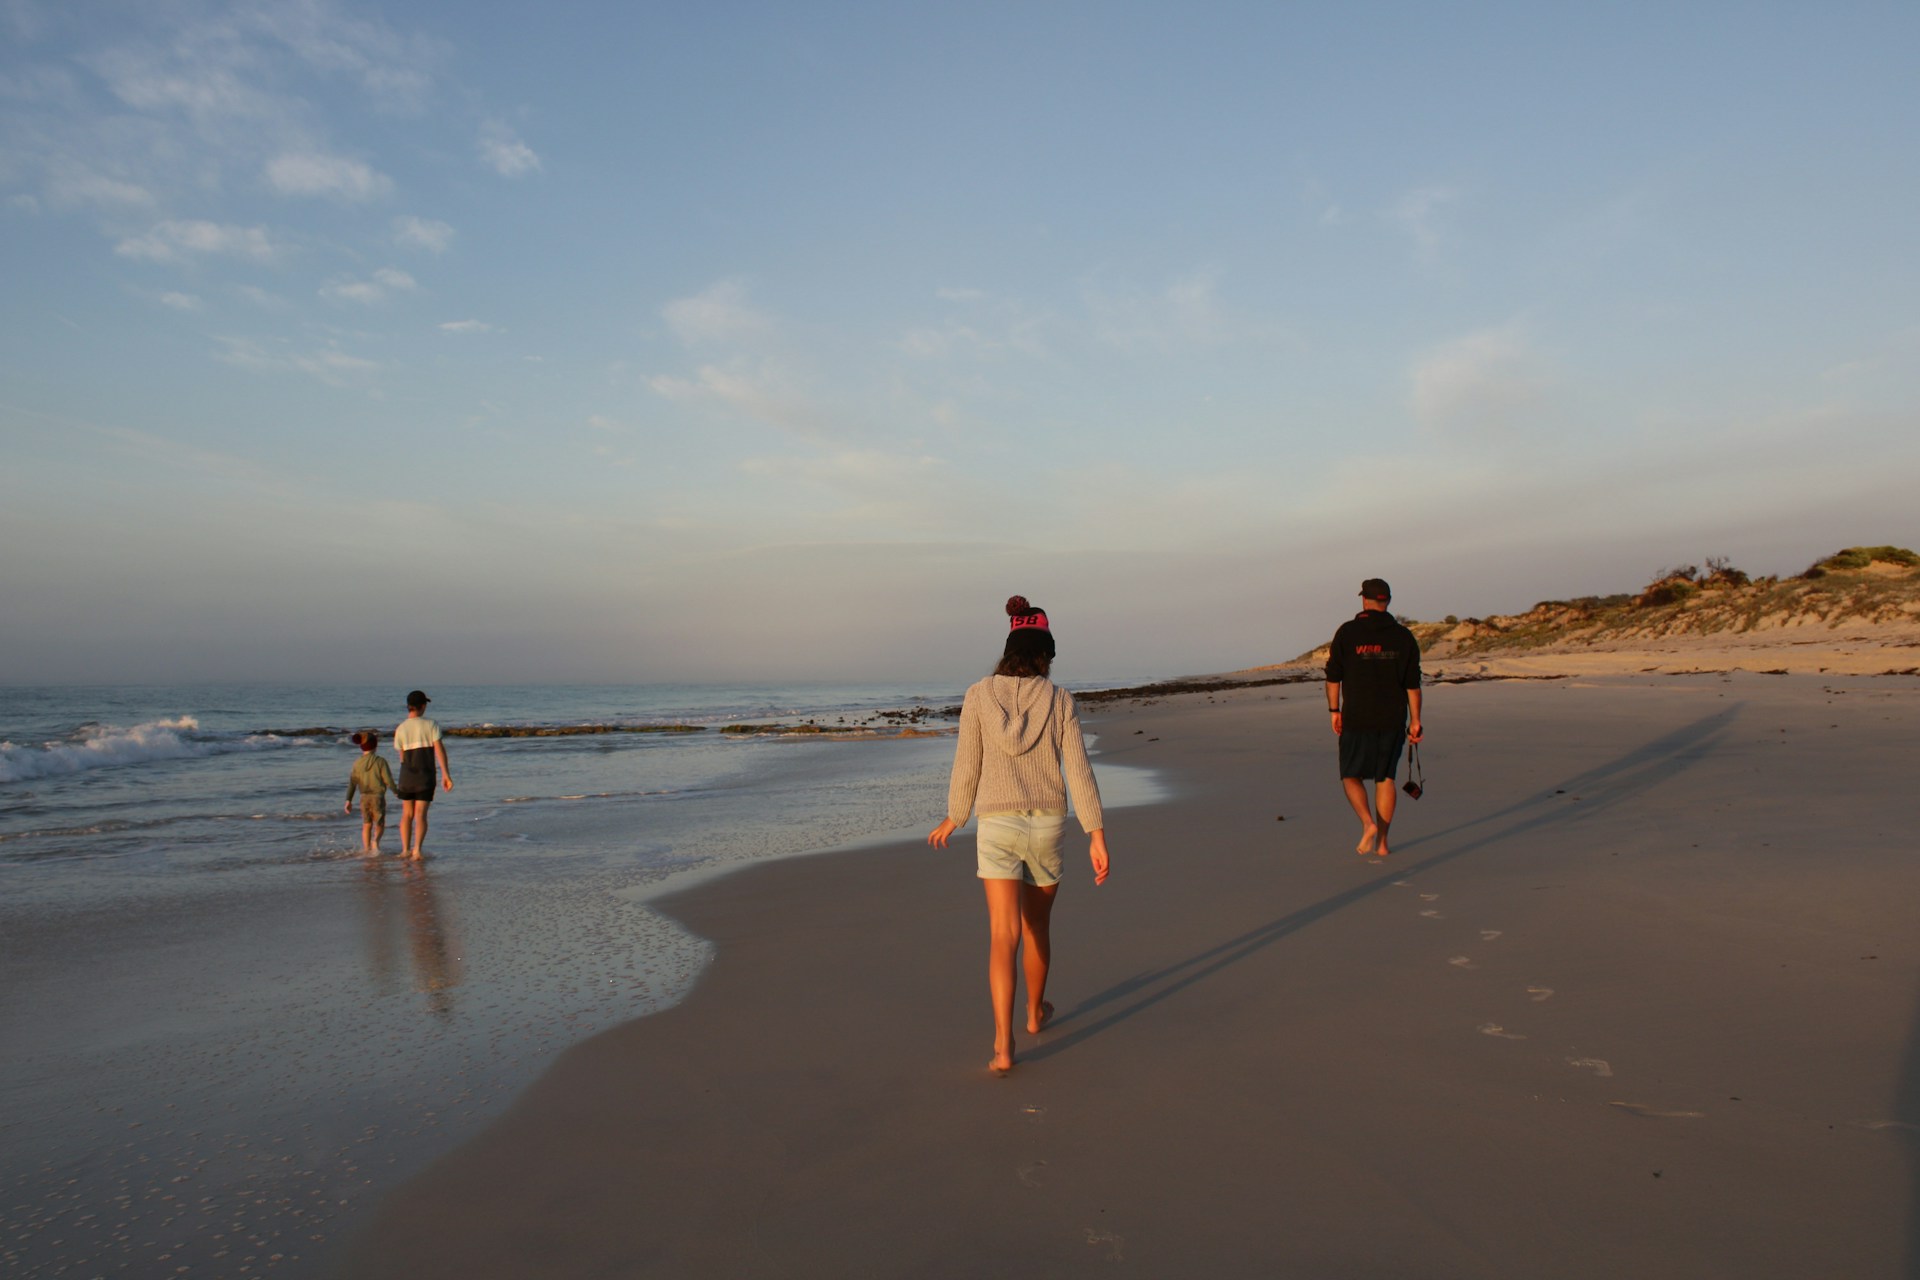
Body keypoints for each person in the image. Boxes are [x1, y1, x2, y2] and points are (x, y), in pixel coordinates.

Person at [928, 596, 1111, 1077]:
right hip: (1047, 822)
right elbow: (1078, 768)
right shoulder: (1059, 700)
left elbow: (967, 763)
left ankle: (1003, 1045)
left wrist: (955, 816)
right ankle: (1033, 1014)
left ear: (1008, 650)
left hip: (996, 824)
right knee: (1037, 928)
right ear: (1043, 655)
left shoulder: (978, 696)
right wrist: (1096, 833)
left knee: (1002, 934)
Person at [1326, 578, 1424, 857]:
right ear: (1388, 601)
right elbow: (1412, 684)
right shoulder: (1403, 636)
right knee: (1385, 778)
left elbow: (1333, 676)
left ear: (1364, 600)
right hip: (1392, 718)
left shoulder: (1348, 632)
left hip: (1356, 716)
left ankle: (1367, 823)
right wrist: (1415, 720)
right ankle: (1382, 843)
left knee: (1350, 774)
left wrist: (1334, 711)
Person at [394, 690, 453, 861]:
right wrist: (446, 774)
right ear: (422, 706)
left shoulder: (401, 728)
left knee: (406, 814)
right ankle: (417, 851)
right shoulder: (431, 724)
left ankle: (405, 849)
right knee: (421, 815)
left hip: (406, 776)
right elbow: (439, 751)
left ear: (408, 707)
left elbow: (402, 756)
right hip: (425, 776)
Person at [343, 730, 398, 854]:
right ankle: (375, 842)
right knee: (379, 823)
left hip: (364, 797)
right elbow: (388, 779)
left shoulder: (357, 763)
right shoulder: (380, 761)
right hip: (377, 797)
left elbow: (352, 783)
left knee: (366, 824)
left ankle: (366, 848)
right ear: (375, 745)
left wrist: (348, 800)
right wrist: (395, 791)